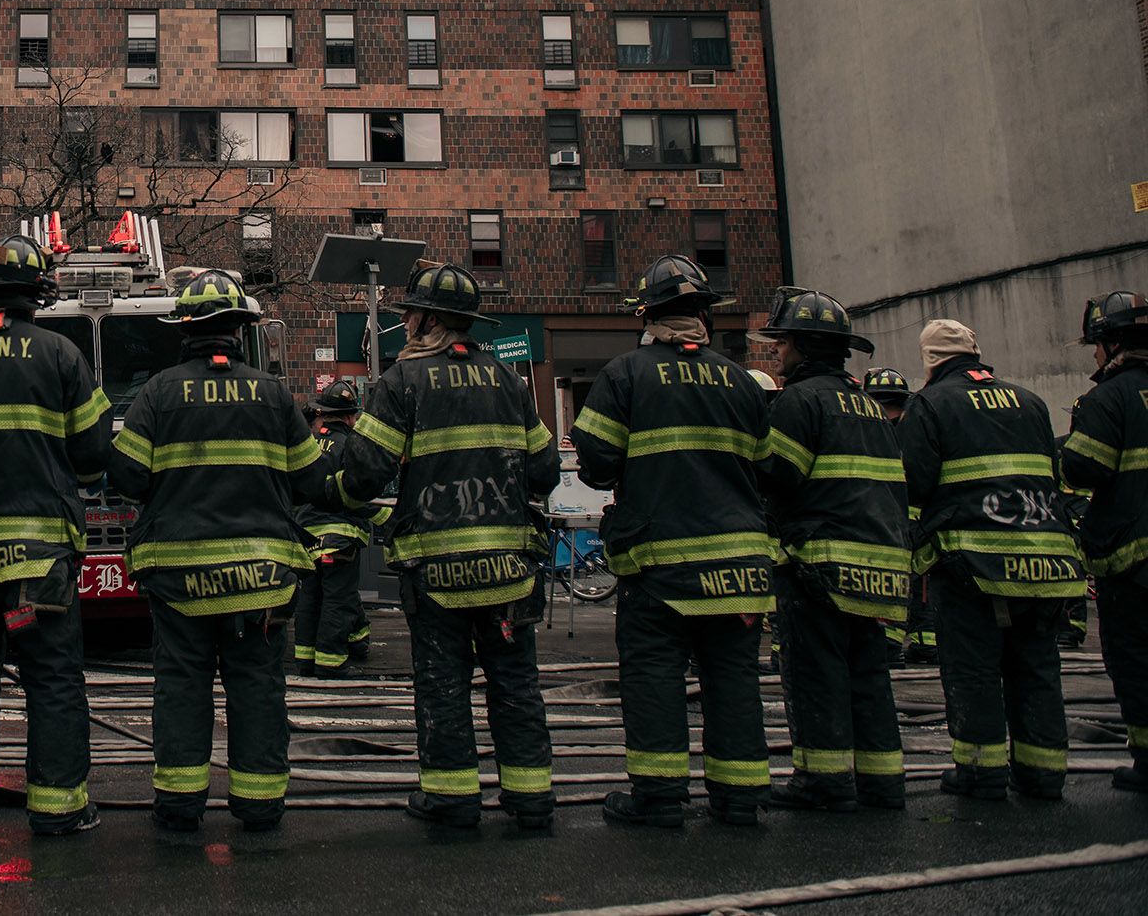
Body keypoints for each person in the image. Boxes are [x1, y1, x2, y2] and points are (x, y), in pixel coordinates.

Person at [108, 270, 339, 834]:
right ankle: (259, 803)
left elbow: (127, 476)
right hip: (260, 581)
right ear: (240, 329)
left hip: (180, 578)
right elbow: (313, 480)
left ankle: (180, 805)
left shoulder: (159, 392)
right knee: (257, 684)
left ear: (184, 330)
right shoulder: (274, 393)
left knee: (182, 684)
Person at [335, 264, 558, 830]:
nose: (405, 321)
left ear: (430, 319)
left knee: (443, 681)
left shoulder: (401, 384)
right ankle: (531, 799)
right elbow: (546, 470)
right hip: (510, 567)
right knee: (515, 683)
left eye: (410, 313)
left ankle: (452, 799)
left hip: (437, 569)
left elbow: (364, 473)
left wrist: (334, 490)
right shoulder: (509, 381)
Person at [570, 253, 775, 828]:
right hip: (741, 565)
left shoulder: (625, 374)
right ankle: (739, 798)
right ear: (705, 315)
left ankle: (659, 798)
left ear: (648, 314)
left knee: (655, 673)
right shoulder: (741, 381)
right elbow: (766, 466)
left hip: (663, 564)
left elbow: (597, 465)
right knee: (733, 677)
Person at [0, 236, 111, 837]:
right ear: (39, 295)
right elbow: (91, 456)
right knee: (53, 679)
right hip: (40, 561)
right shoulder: (62, 355)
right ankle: (58, 810)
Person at [901, 318, 1081, 802]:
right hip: (1044, 561)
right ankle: (1043, 774)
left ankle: (980, 774)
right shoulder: (1030, 401)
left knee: (973, 668)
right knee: (1037, 667)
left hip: (971, 567)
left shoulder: (930, 403)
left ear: (930, 360)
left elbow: (913, 482)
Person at [754, 289, 908, 814]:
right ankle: (883, 781)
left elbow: (779, 476)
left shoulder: (800, 401)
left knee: (817, 674)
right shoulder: (867, 403)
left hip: (818, 564)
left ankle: (824, 781)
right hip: (879, 563)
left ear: (801, 346)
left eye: (782, 343)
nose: (777, 352)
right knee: (868, 675)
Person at [1057, 291, 1148, 792]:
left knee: (1136, 661)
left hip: (1133, 563)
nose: (1094, 355)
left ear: (1111, 344)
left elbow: (1083, 468)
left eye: (1096, 345)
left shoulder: (1107, 397)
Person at [291, 378, 385, 679]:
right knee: (338, 597)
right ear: (348, 416)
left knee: (311, 596)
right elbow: (357, 491)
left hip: (307, 537)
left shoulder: (308, 444)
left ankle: (305, 658)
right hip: (339, 537)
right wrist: (386, 516)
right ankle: (331, 661)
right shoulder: (351, 445)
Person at [863, 367, 936, 665]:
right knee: (921, 585)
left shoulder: (870, 433)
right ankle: (925, 641)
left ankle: (890, 644)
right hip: (922, 523)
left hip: (888, 523)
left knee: (890, 583)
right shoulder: (916, 430)